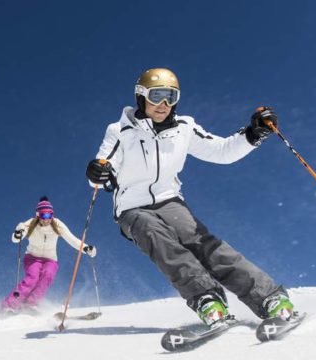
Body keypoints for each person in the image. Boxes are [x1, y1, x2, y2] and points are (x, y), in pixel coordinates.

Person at [85, 68, 296, 327]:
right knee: (155, 234)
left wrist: (251, 135)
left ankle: (268, 298)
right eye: (157, 96)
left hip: (169, 199)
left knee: (203, 243)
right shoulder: (120, 130)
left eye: (171, 97)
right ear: (141, 96)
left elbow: (220, 151)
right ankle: (207, 299)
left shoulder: (184, 128)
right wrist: (99, 171)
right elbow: (105, 162)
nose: (164, 104)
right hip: (132, 208)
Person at [0, 196, 97, 315]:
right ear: (38, 215)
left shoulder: (57, 224)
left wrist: (85, 248)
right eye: (44, 216)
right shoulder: (30, 224)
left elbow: (71, 239)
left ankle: (30, 304)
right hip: (32, 258)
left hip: (50, 260)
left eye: (50, 215)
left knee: (48, 275)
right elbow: (16, 239)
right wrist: (17, 233)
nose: (47, 219)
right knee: (32, 278)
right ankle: (9, 305)